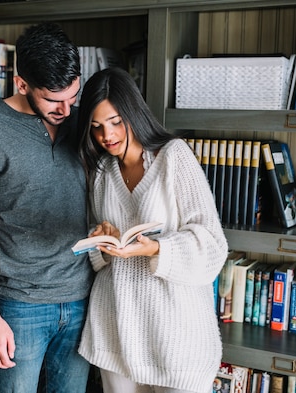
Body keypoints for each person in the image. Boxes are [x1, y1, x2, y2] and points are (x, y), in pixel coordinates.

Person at [0, 22, 93, 393]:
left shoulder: (81, 122)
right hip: (19, 307)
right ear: (21, 84)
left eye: (73, 96)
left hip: (81, 300)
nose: (66, 109)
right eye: (53, 99)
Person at [76, 67, 229, 393]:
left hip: (176, 338)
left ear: (133, 111)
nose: (107, 135)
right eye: (96, 127)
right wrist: (101, 238)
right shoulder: (102, 170)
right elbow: (96, 248)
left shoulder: (174, 157)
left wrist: (156, 249)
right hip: (116, 330)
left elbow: (213, 244)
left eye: (116, 121)